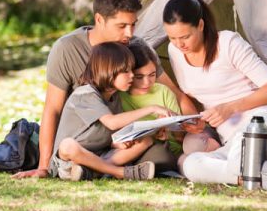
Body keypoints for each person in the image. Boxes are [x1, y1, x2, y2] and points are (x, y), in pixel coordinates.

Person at [13, 0, 197, 179]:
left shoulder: (136, 46)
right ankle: (106, 169)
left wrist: (196, 129)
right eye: (122, 26)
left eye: (133, 24)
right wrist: (44, 167)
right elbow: (53, 109)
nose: (130, 33)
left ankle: (93, 169)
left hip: (117, 142)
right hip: (83, 140)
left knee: (161, 157)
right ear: (99, 20)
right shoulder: (67, 50)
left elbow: (175, 93)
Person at [162, 0, 267, 184]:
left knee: (241, 149)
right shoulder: (175, 52)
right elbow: (198, 96)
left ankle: (250, 166)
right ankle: (245, 173)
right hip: (228, 140)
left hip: (260, 125)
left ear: (201, 26)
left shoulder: (228, 43)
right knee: (190, 163)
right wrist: (198, 122)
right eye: (172, 38)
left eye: (185, 36)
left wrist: (230, 108)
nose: (180, 44)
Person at [49, 42, 174, 181]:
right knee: (67, 145)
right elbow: (112, 123)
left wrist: (120, 141)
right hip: (70, 160)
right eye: (126, 71)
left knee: (146, 141)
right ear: (108, 70)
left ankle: (93, 172)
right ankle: (120, 172)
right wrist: (152, 108)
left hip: (101, 156)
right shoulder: (84, 94)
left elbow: (111, 133)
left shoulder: (114, 97)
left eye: (132, 70)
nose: (132, 75)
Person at [119, 41, 220, 173]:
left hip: (181, 144)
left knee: (193, 145)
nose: (147, 82)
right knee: (182, 162)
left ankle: (215, 150)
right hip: (155, 149)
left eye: (152, 75)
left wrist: (171, 129)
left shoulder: (162, 91)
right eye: (139, 77)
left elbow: (180, 135)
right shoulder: (122, 97)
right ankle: (199, 162)